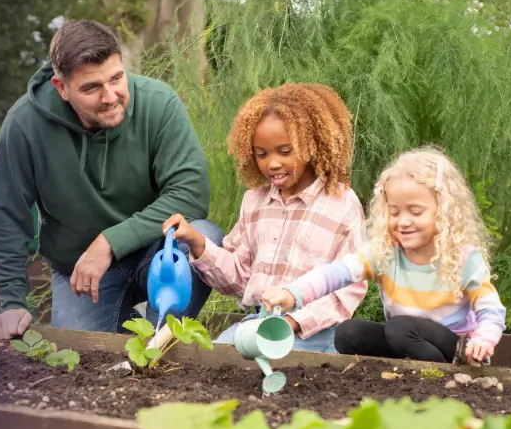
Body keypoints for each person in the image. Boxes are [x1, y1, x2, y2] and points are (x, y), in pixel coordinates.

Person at [0, 19, 223, 340]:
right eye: (91, 87)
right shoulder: (24, 125)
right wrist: (12, 301)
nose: (110, 96)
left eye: (117, 78)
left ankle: (159, 344)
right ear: (61, 87)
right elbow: (6, 218)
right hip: (81, 270)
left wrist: (110, 242)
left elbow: (190, 194)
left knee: (201, 235)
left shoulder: (158, 103)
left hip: (156, 251)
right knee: (79, 363)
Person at [155, 83, 368, 353]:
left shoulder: (341, 204)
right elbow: (240, 277)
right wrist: (198, 243)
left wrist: (292, 321)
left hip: (316, 332)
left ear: (313, 144)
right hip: (259, 322)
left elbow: (350, 286)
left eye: (285, 151)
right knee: (214, 359)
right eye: (262, 154)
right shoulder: (255, 202)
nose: (272, 163)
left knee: (283, 372)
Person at [260, 146, 506, 365]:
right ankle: (399, 372)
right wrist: (293, 293)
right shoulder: (385, 252)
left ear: (444, 212)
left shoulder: (462, 257)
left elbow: (490, 307)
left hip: (455, 351)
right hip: (404, 342)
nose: (404, 221)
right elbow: (337, 273)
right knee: (348, 332)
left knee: (401, 328)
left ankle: (439, 378)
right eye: (395, 212)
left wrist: (483, 340)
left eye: (416, 211)